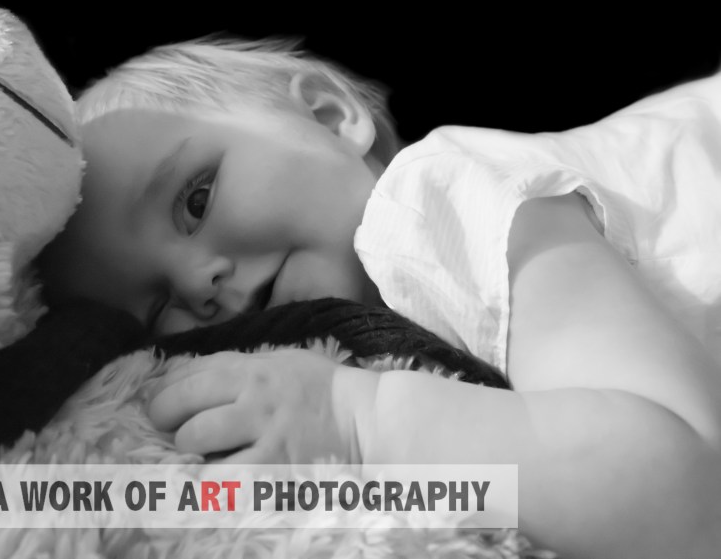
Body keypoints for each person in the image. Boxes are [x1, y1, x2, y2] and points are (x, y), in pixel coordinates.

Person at [36, 38, 721, 558]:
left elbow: (687, 491)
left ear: (330, 116)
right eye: (156, 309)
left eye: (196, 200)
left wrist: (360, 418)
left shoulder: (432, 200)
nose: (197, 284)